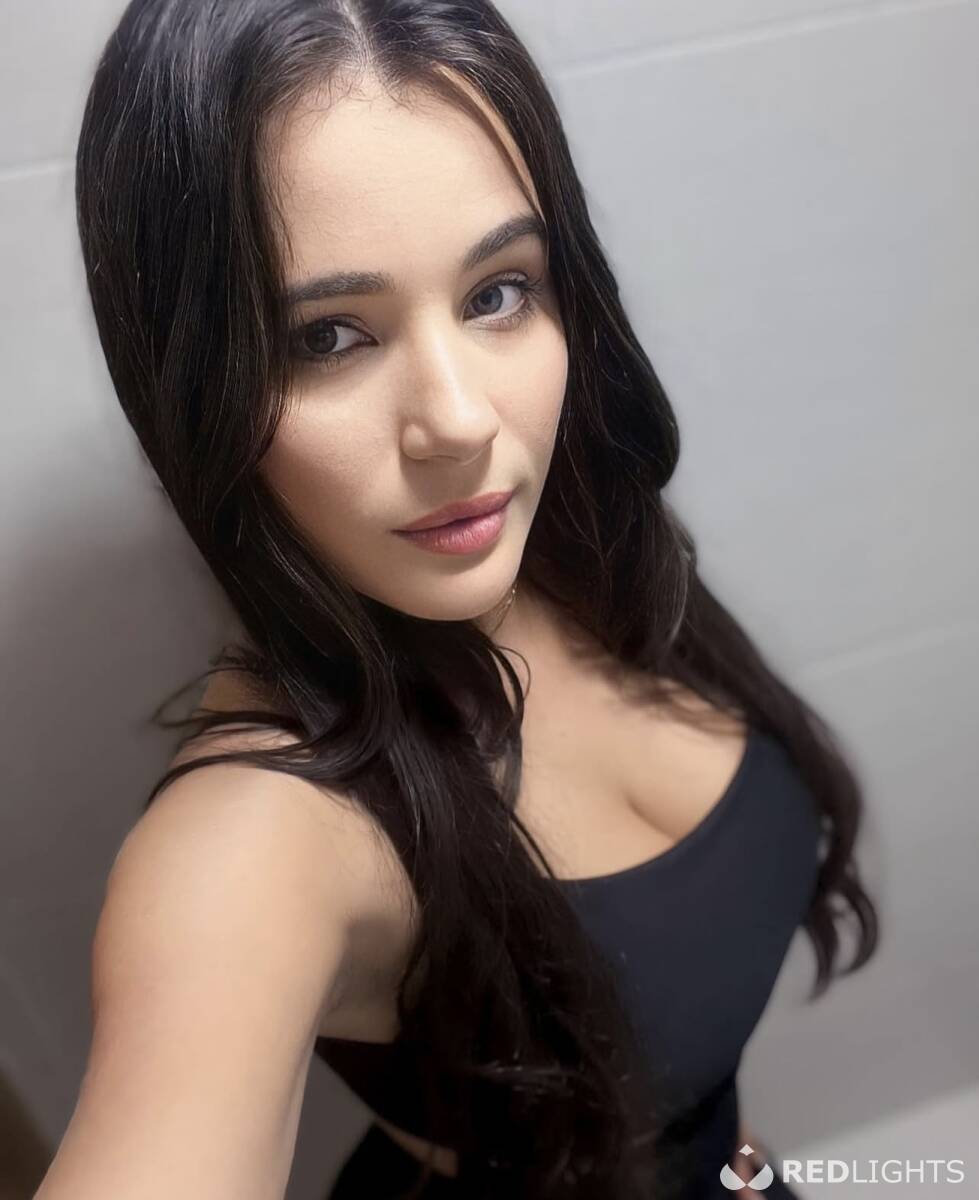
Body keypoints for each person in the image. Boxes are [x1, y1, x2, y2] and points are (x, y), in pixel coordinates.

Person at [38, 1, 879, 1197]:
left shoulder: (571, 549)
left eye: (497, 293)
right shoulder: (254, 842)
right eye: (328, 337)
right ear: (193, 385)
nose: (461, 421)